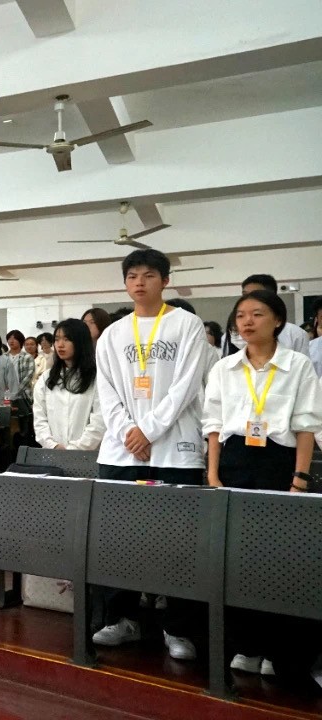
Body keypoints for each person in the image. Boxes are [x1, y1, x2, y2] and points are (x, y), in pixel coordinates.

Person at [92, 249, 207, 662]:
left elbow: (187, 386)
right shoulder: (112, 334)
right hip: (122, 453)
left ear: (165, 280)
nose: (139, 282)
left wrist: (149, 430)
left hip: (175, 451)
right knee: (119, 539)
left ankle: (178, 627)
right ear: (125, 283)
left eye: (149, 275)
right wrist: (129, 432)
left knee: (178, 543)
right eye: (132, 276)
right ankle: (122, 618)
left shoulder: (186, 324)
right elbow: (106, 392)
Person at [203, 289, 322, 681]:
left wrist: (299, 481)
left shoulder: (297, 364)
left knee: (279, 559)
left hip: (278, 463)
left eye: (257, 314)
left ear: (278, 320)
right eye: (240, 315)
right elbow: (214, 424)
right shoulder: (225, 368)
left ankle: (279, 650)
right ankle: (247, 645)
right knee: (238, 560)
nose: (247, 322)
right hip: (234, 462)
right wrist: (213, 475)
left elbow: (306, 425)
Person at [33, 319, 104, 450]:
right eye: (57, 339)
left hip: (87, 454)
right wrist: (52, 445)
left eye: (67, 339)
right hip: (53, 452)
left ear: (81, 341)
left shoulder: (97, 378)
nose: (60, 345)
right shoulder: (47, 378)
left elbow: (99, 421)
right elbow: (39, 418)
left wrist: (73, 449)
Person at [222, 275, 310, 356]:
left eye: (256, 294)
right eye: (245, 295)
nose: (249, 299)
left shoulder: (295, 334)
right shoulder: (230, 336)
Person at [7, 329, 35, 402]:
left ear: (20, 341)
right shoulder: (3, 357)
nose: (11, 341)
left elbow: (28, 377)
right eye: (9, 338)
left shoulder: (27, 357)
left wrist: (15, 392)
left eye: (14, 339)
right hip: (5, 395)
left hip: (23, 396)